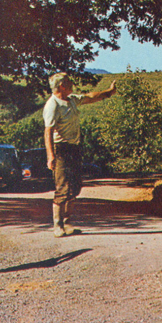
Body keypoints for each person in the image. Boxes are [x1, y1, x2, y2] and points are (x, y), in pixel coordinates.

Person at [43, 72, 117, 238]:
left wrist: (109, 92)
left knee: (75, 186)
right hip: (61, 149)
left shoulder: (71, 99)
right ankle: (58, 225)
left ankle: (68, 222)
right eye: (68, 82)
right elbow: (48, 132)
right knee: (62, 187)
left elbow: (90, 97)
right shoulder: (52, 105)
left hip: (74, 148)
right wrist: (50, 156)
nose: (72, 84)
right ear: (61, 86)